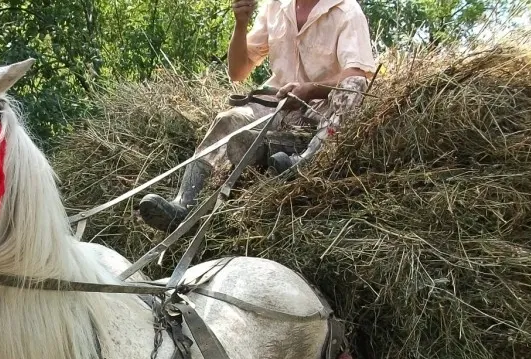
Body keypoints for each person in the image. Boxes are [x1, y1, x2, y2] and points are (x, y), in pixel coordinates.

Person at [138, 0, 377, 230]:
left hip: (321, 109)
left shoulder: (347, 11)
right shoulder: (276, 6)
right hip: (277, 105)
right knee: (227, 120)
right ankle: (183, 204)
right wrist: (240, 24)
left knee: (353, 84)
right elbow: (237, 71)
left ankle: (305, 159)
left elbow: (356, 74)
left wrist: (311, 88)